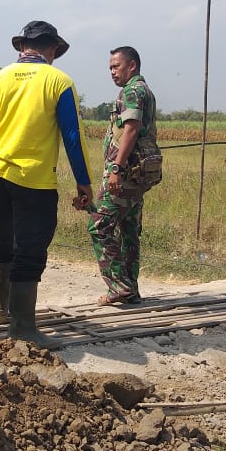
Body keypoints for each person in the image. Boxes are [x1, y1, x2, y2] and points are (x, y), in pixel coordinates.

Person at [0, 21, 95, 349]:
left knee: (2, 241)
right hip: (34, 182)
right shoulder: (58, 80)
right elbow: (72, 136)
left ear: (22, 47)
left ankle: (2, 312)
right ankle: (23, 328)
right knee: (30, 249)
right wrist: (84, 182)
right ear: (51, 48)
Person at [88, 46, 159, 306]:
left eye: (116, 67)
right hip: (137, 175)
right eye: (110, 68)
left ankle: (119, 286)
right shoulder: (144, 90)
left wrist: (116, 168)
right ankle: (131, 289)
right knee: (128, 230)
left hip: (125, 172)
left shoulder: (132, 91)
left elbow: (130, 129)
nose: (112, 72)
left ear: (132, 66)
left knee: (99, 225)